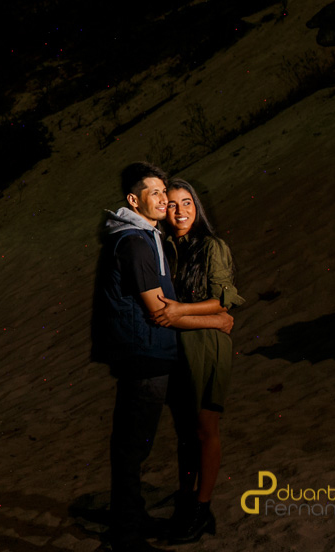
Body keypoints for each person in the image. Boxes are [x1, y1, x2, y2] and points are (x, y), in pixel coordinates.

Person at [92, 163, 233, 552]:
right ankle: (128, 533)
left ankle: (160, 515)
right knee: (134, 448)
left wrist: (214, 315)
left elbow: (194, 303)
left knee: (185, 434)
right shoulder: (141, 242)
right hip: (149, 354)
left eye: (166, 195)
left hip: (167, 353)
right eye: (157, 195)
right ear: (134, 200)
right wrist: (215, 319)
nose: (164, 202)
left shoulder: (154, 238)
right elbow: (159, 311)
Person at [151, 179, 245, 544]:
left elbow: (225, 300)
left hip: (206, 348)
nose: (180, 211)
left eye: (187, 203)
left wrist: (181, 312)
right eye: (172, 205)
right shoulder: (168, 249)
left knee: (206, 430)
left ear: (197, 206)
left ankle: (202, 510)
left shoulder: (212, 246)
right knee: (185, 433)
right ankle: (186, 503)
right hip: (179, 349)